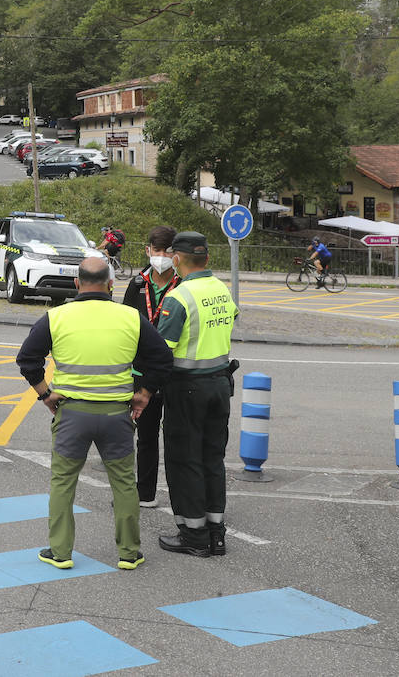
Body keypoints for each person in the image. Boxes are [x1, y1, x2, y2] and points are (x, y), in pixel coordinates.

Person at [17, 257, 173, 570]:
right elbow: (162, 359)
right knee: (125, 484)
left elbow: (27, 359)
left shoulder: (56, 316)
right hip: (118, 414)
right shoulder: (131, 317)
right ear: (111, 284)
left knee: (63, 482)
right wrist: (143, 393)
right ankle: (129, 553)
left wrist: (46, 394)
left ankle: (60, 552)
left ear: (77, 283)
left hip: (72, 414)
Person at [156, 231, 238, 558]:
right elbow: (231, 319)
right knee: (212, 458)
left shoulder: (180, 297)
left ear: (176, 259)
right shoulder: (221, 289)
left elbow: (162, 352)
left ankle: (193, 535)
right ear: (207, 259)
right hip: (220, 385)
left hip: (187, 387)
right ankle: (216, 532)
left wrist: (144, 386)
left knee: (184, 459)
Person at [122, 226, 181, 509]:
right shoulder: (137, 285)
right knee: (145, 436)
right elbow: (123, 324)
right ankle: (145, 493)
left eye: (167, 251)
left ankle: (182, 496)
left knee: (177, 436)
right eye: (156, 251)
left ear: (176, 255)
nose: (161, 257)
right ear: (148, 251)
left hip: (176, 373)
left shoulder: (184, 284)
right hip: (142, 373)